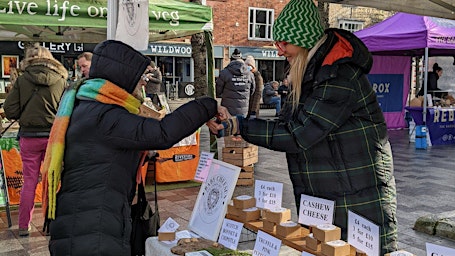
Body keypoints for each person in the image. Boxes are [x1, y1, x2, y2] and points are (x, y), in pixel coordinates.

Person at [214, 0, 398, 253]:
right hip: (328, 194)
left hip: (357, 197)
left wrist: (241, 126)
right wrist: (233, 124)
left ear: (303, 40)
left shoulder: (339, 76)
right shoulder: (314, 73)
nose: (280, 51)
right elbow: (286, 125)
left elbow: (298, 135)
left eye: (284, 43)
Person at [44, 40, 226, 255]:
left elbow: (103, 152)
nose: (143, 84)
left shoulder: (89, 104)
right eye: (141, 78)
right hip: (92, 228)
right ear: (123, 77)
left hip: (84, 217)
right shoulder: (106, 116)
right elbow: (163, 133)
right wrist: (208, 106)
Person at [3, 44, 68, 237]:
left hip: (29, 137)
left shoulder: (22, 80)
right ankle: (52, 224)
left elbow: (10, 110)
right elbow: (66, 111)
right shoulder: (61, 80)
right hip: (53, 137)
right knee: (52, 180)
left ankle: (24, 225)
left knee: (29, 182)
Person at [216, 48, 255, 116]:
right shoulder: (249, 74)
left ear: (231, 59)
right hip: (243, 108)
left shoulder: (225, 73)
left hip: (227, 107)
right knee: (240, 124)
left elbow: (218, 90)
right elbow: (252, 90)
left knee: (228, 125)